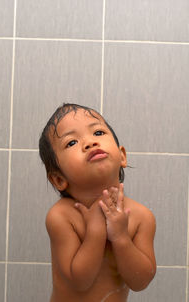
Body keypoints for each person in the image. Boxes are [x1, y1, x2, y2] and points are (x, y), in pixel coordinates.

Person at [39, 103, 156, 302]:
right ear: (59, 179)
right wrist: (96, 230)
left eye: (98, 132)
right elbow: (80, 281)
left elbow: (141, 281)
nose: (89, 142)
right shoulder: (62, 217)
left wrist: (120, 237)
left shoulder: (140, 217)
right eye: (72, 143)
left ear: (122, 156)